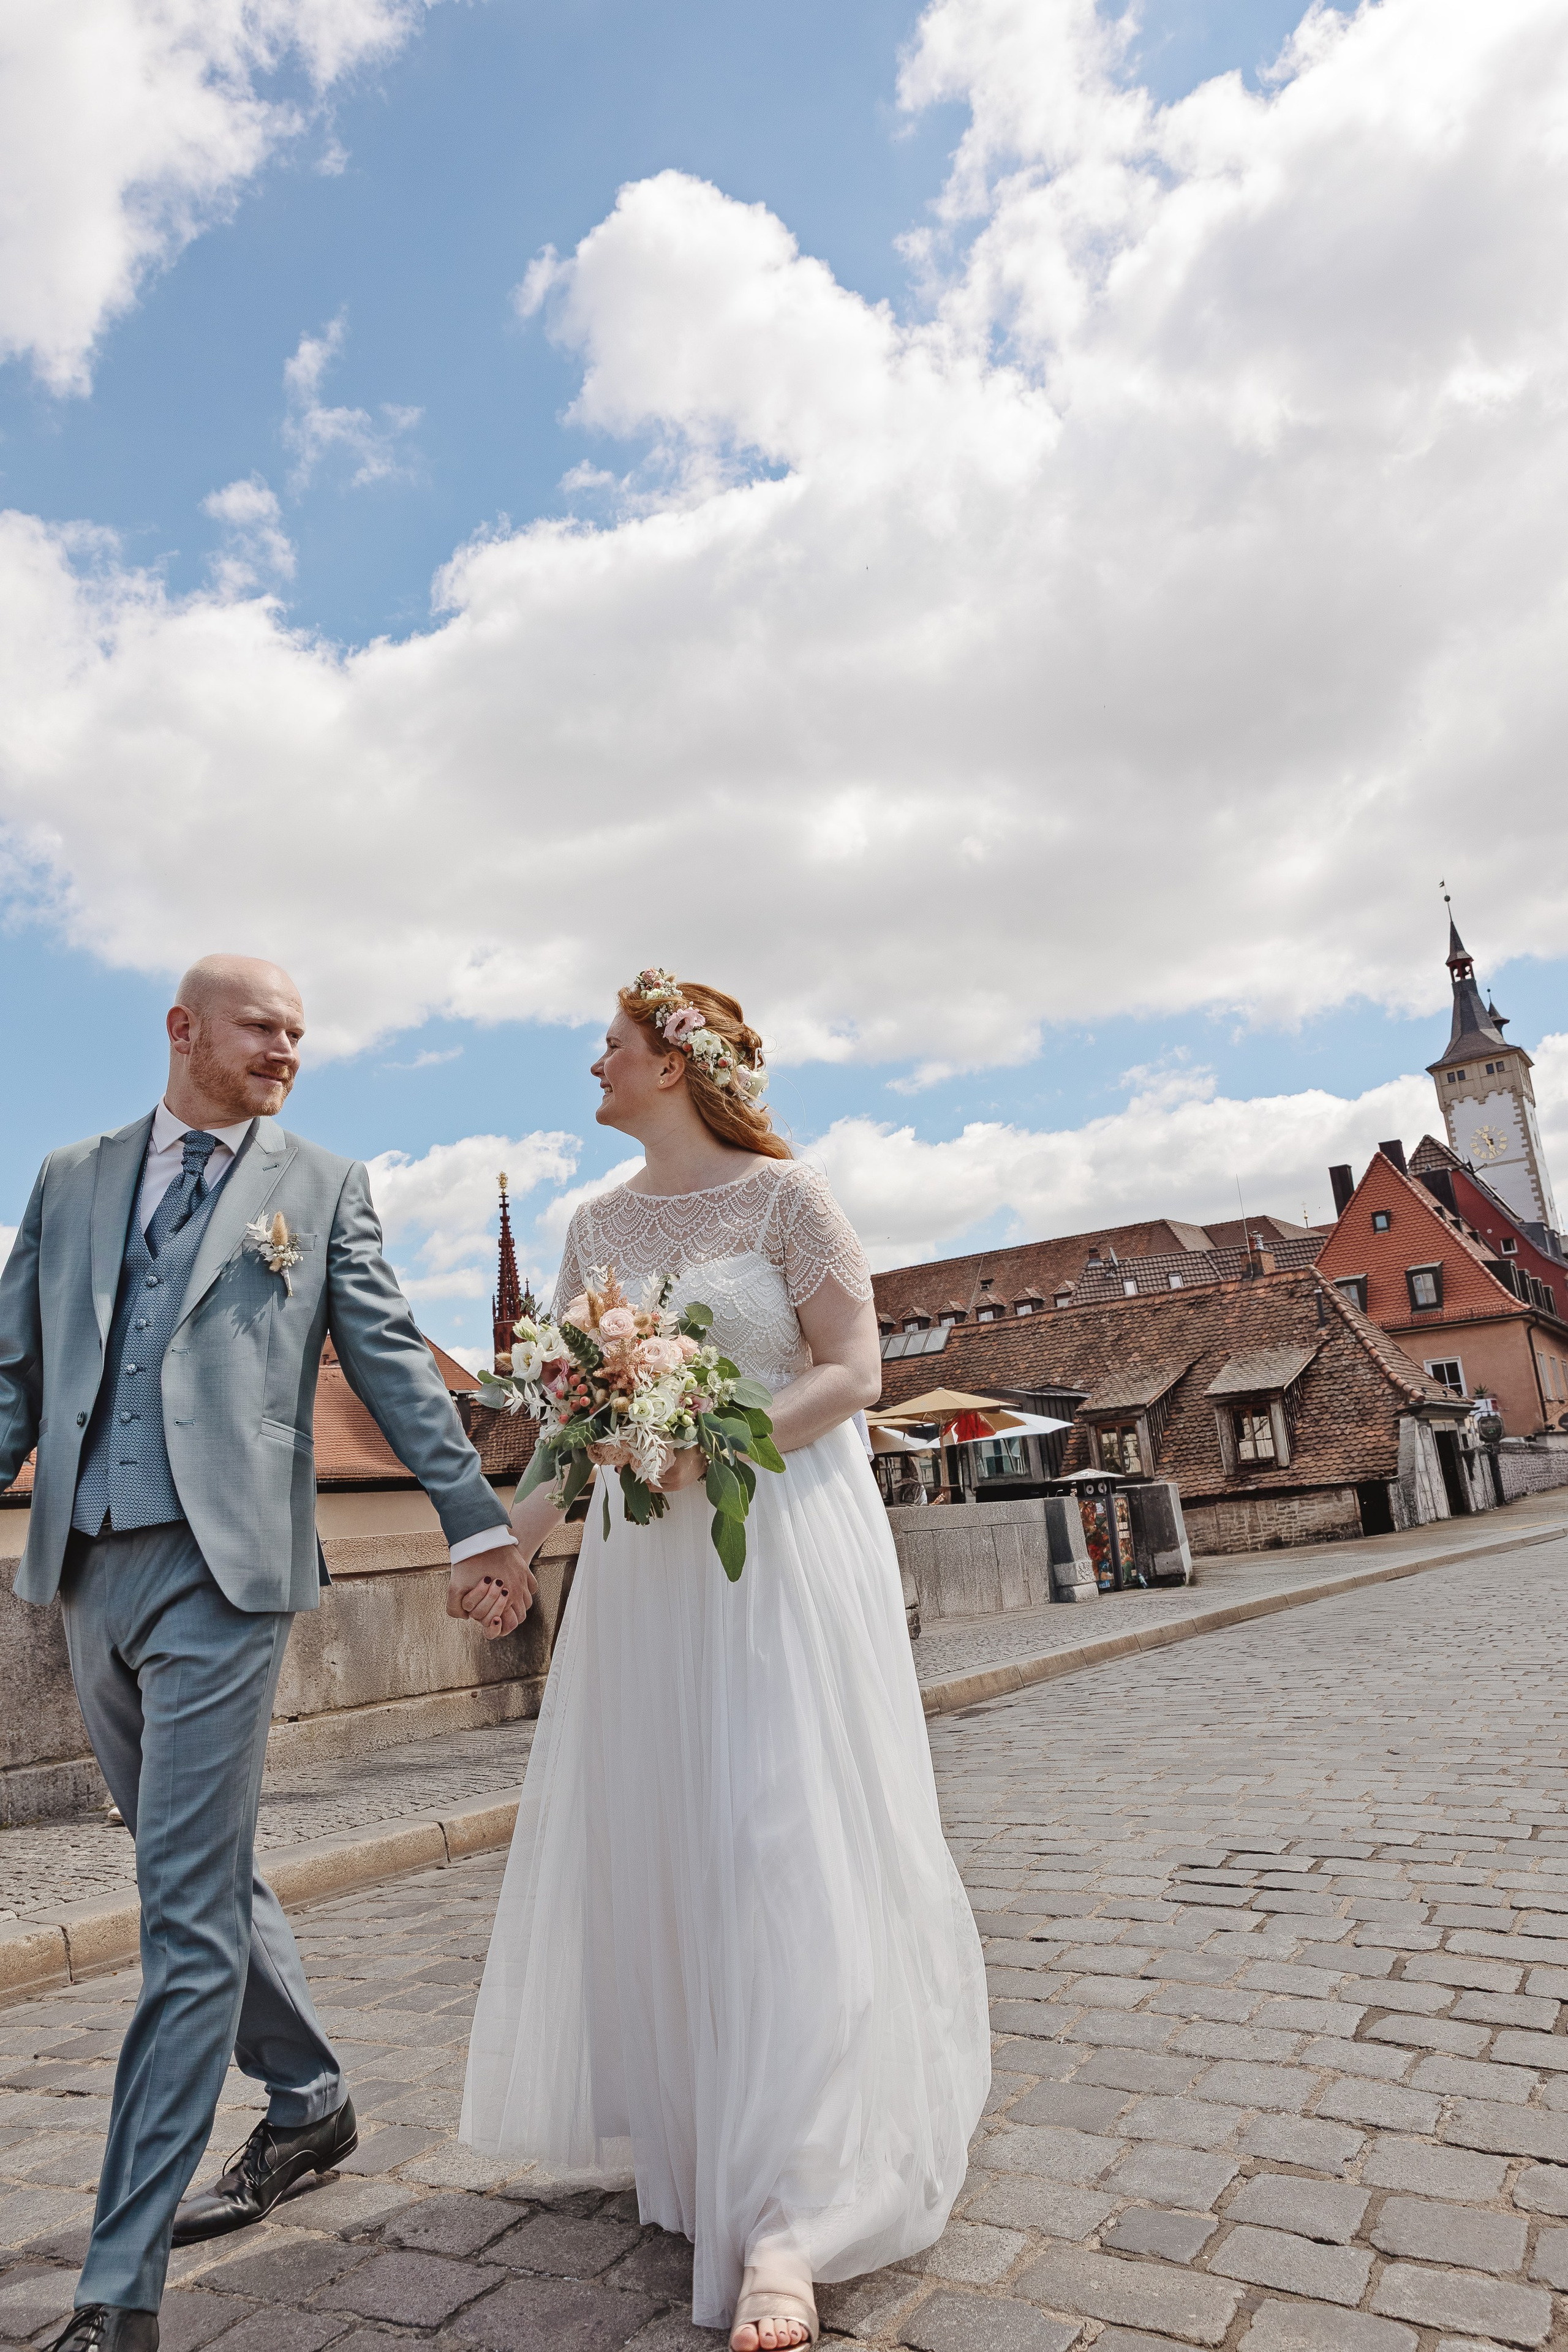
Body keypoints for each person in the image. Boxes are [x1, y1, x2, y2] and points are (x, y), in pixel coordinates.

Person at [0, 957, 537, 2352]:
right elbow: (13, 1374)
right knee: (199, 1868)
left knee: (178, 1921)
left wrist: (473, 1525)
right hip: (85, 1575)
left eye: (301, 1032)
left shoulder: (321, 1185)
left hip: (226, 1578)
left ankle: (116, 2295)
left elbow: (395, 1364)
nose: (288, 1050)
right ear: (182, 1031)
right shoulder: (68, 1178)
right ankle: (307, 2100)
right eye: (262, 1028)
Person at [458, 973, 989, 2352]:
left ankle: (792, 2218)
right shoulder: (593, 1226)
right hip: (648, 1573)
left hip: (779, 1549)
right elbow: (571, 1434)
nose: (594, 1061)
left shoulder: (786, 1201)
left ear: (676, 1064)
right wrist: (503, 1543)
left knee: (781, 1836)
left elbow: (853, 1371)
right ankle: (716, 2129)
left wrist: (720, 1442)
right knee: (681, 1841)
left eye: (613, 1045)